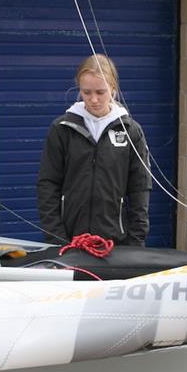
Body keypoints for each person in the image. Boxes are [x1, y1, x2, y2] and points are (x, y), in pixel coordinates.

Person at [37, 54, 152, 246]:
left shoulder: (131, 131)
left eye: (101, 92)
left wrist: (135, 241)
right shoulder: (62, 128)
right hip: (69, 240)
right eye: (87, 92)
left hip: (117, 242)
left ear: (113, 89)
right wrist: (56, 236)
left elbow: (140, 187)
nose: (94, 99)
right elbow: (47, 184)